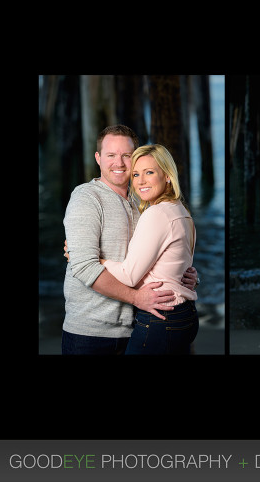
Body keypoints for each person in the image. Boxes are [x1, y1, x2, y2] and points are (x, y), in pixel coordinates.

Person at [62, 125, 197, 355]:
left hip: (135, 325)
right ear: (98, 158)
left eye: (126, 156)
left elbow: (162, 253)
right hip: (91, 333)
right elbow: (84, 266)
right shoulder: (86, 198)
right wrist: (136, 297)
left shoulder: (143, 202)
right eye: (111, 155)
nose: (119, 163)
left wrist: (183, 274)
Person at [101, 144, 199, 354]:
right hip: (185, 315)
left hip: (161, 319)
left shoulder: (156, 214)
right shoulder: (182, 212)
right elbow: (179, 262)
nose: (140, 181)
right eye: (136, 174)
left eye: (149, 172)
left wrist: (99, 260)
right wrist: (194, 278)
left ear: (167, 176)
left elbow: (129, 276)